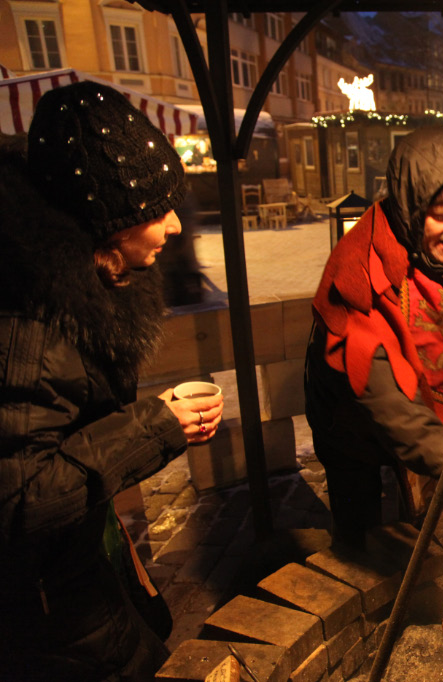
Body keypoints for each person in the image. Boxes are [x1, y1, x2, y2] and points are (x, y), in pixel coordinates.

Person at [0, 81, 224, 680]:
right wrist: (155, 425)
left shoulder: (86, 290)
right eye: (157, 210)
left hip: (80, 568)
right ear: (108, 224)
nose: (176, 225)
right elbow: (20, 499)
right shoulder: (30, 328)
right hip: (43, 609)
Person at [305, 126, 443, 549]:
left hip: (440, 410)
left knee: (434, 525)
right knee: (362, 532)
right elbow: (381, 391)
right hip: (353, 417)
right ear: (412, 207)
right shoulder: (360, 266)